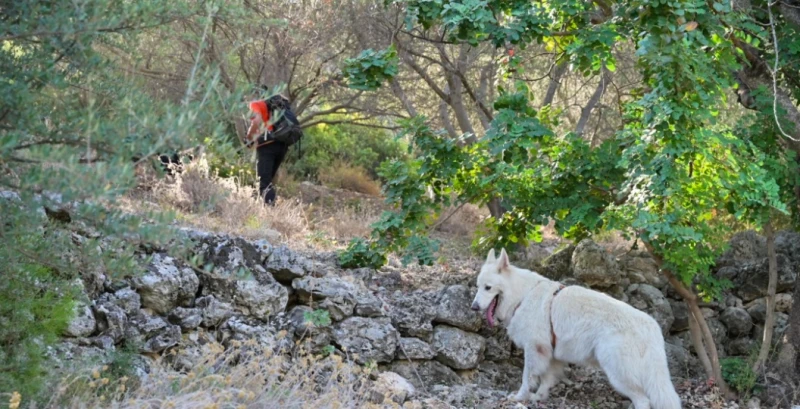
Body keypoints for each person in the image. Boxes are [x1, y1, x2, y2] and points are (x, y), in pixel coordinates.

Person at [245, 92, 292, 205]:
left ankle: (271, 213)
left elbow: (256, 121)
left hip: (268, 145)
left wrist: (249, 138)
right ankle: (257, 205)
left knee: (264, 182)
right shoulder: (275, 106)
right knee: (266, 180)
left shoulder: (256, 104)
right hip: (282, 145)